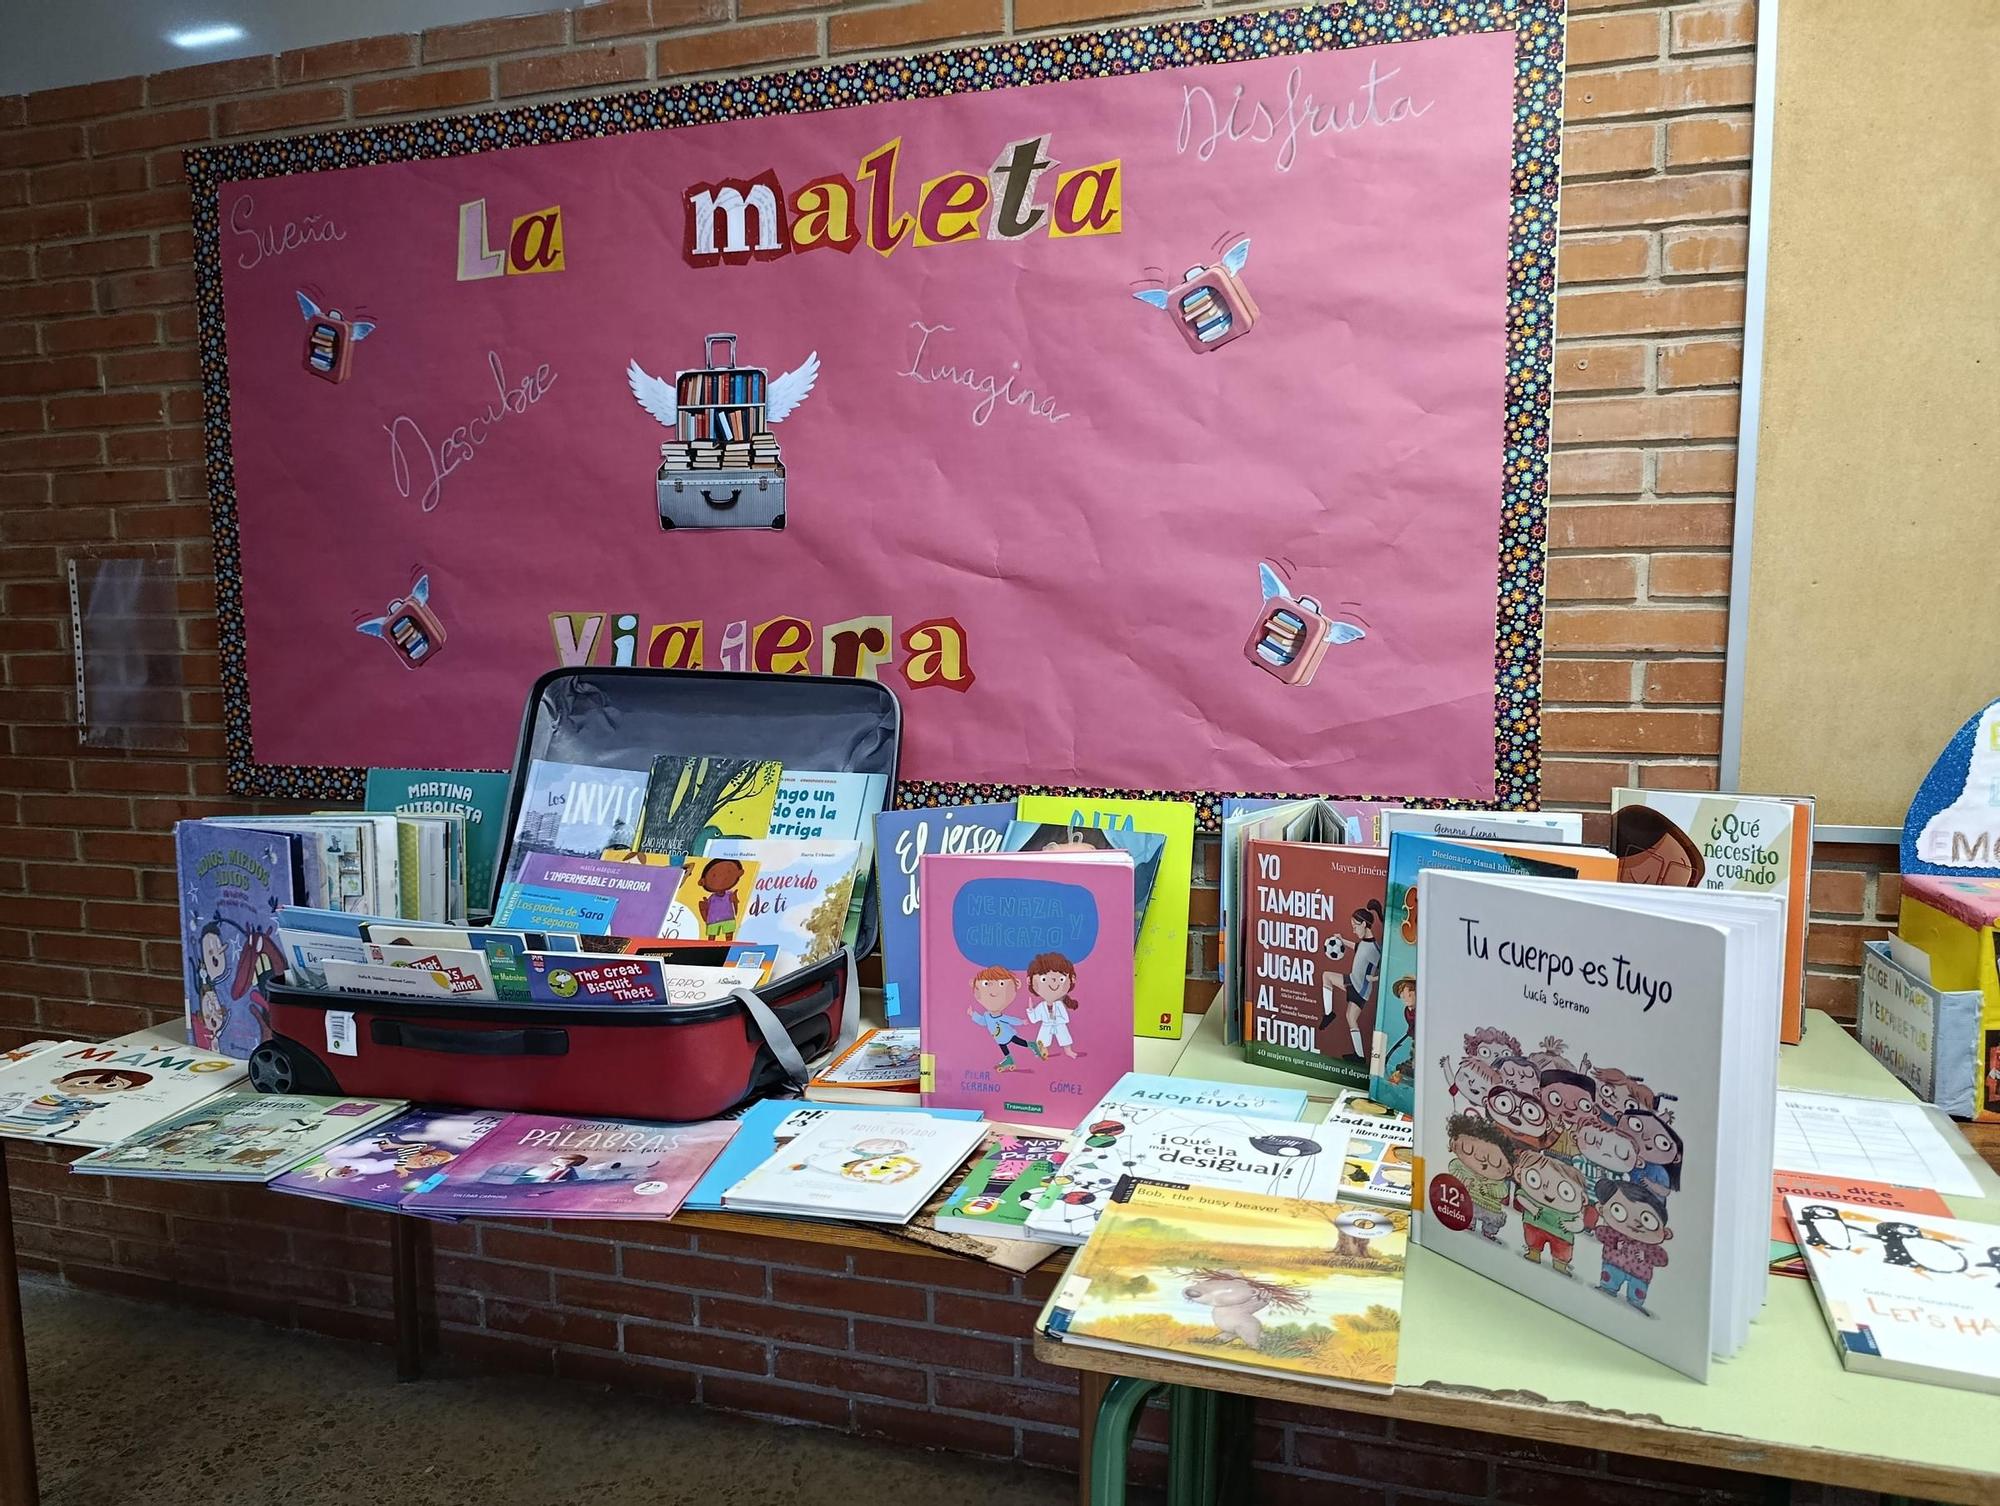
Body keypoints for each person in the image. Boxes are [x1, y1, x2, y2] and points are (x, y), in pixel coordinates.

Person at [1321, 899, 1382, 1060]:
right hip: (1353, 981)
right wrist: (1342, 940)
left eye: (1355, 926)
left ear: (1364, 924)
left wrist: (1374, 978)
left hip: (1359, 988)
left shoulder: (1374, 949)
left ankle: (1329, 1015)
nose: (1353, 930)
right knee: (1350, 1017)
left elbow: (1385, 968)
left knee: (1350, 1016)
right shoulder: (1364, 943)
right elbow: (1357, 948)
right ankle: (1359, 1056)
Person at [1024, 952, 1082, 1059]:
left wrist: (1056, 1020)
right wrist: (1031, 1010)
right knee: (1042, 1039)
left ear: (1072, 979)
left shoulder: (1059, 1005)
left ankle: (1068, 1051)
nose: (1053, 983)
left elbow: (1065, 1018)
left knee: (1065, 1037)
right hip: (1046, 1025)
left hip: (1059, 1024)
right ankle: (1043, 1052)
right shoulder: (1041, 1006)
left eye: (1061, 979)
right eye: (1044, 979)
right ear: (1030, 981)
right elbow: (1034, 1019)